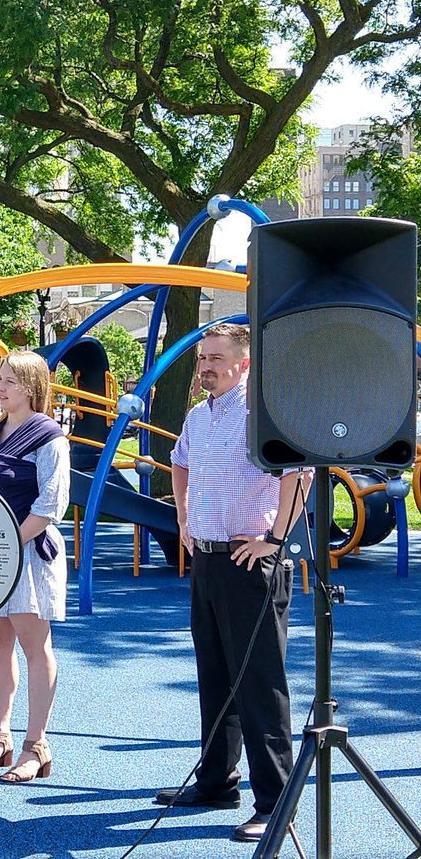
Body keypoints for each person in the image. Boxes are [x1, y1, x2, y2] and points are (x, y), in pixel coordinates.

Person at [157, 323, 312, 843]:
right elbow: (178, 464)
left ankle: (276, 804)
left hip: (251, 564)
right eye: (203, 358)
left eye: (216, 358)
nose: (205, 367)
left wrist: (274, 538)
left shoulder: (262, 412)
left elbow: (300, 473)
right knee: (215, 675)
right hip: (208, 559)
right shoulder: (200, 417)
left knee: (261, 687)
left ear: (242, 364)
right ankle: (217, 781)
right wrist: (182, 518)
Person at [0, 351, 69, 783]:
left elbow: (50, 506)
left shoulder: (48, 437)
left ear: (30, 386)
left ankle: (36, 744)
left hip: (26, 553)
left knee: (33, 644)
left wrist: (6, 543)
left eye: (8, 381)